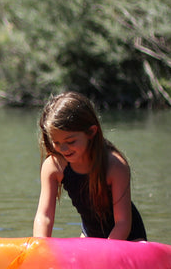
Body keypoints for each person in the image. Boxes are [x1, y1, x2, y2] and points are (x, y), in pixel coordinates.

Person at [32, 91, 147, 241]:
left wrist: (105, 253)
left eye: (71, 141)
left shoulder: (115, 166)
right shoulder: (54, 166)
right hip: (90, 235)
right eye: (57, 143)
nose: (64, 149)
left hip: (128, 237)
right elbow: (44, 216)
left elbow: (123, 223)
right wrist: (40, 247)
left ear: (91, 132)